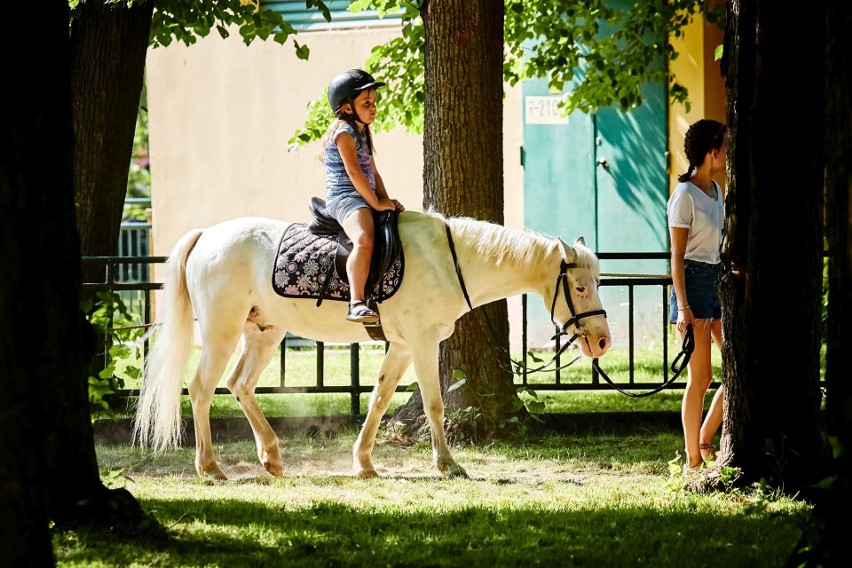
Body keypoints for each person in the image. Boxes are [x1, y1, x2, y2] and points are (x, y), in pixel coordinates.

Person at [318, 69, 405, 323]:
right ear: (346, 108)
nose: (373, 108)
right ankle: (355, 301)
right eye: (366, 103)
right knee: (365, 238)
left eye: (374, 102)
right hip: (345, 197)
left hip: (362, 193)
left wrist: (387, 203)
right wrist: (376, 203)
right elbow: (355, 174)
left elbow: (373, 173)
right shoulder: (344, 134)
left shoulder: (363, 131)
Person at [667, 118, 727, 473]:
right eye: (724, 146)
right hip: (691, 284)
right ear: (711, 151)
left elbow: (715, 245)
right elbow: (676, 255)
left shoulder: (717, 191)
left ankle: (706, 438)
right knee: (701, 377)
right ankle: (693, 460)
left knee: (735, 365)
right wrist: (683, 307)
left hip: (717, 282)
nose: (727, 153)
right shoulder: (684, 195)